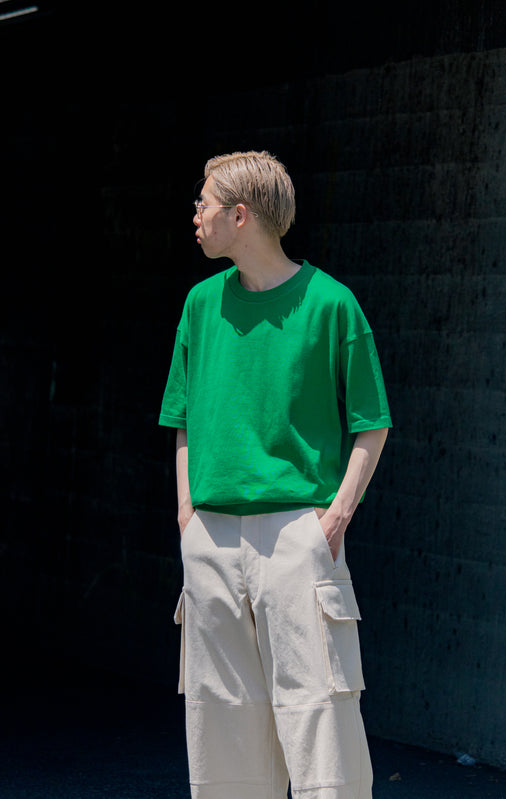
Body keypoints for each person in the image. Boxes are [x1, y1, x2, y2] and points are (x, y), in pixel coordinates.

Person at [159, 150, 392, 799]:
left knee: (320, 720)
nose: (195, 214)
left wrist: (335, 518)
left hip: (297, 533)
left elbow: (372, 421)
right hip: (210, 538)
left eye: (205, 202)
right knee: (221, 728)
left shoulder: (331, 304)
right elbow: (182, 416)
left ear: (241, 215)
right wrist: (186, 513)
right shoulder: (200, 305)